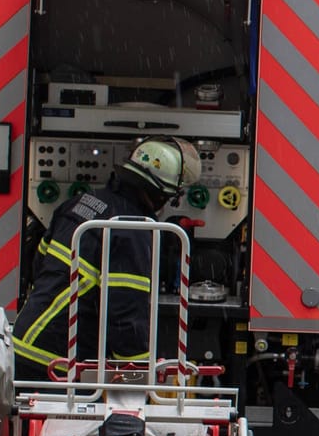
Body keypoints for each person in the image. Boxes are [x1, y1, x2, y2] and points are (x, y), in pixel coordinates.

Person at [11, 137, 198, 376]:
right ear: (161, 195)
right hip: (60, 362)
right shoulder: (133, 230)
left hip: (23, 343)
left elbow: (38, 266)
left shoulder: (78, 204)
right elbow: (126, 315)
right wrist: (139, 373)